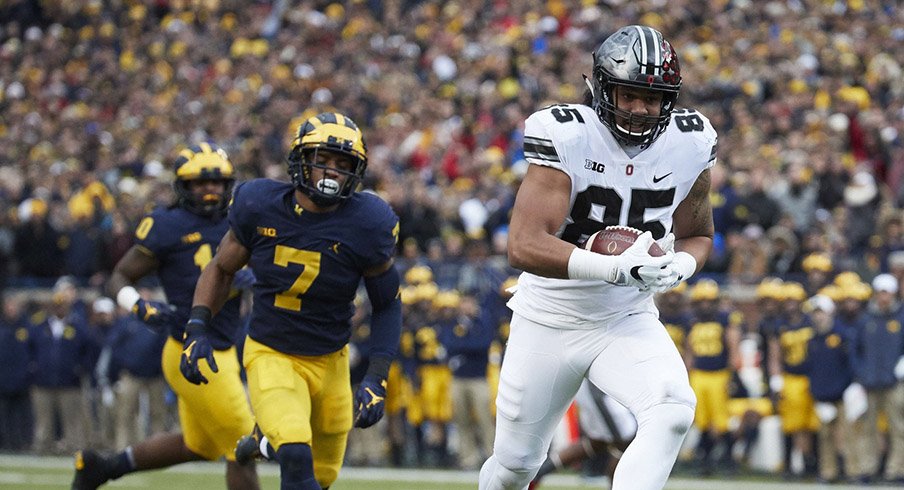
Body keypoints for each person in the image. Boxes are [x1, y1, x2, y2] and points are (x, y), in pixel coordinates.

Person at [479, 25, 716, 490]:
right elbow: (522, 245)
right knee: (516, 466)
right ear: (601, 86)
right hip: (549, 315)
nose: (641, 108)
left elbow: (699, 236)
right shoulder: (567, 133)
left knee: (671, 409)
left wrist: (680, 266)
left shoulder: (689, 142)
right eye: (629, 94)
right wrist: (613, 266)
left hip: (624, 316)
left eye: (653, 97)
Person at [180, 112, 402, 490]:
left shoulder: (369, 222)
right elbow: (221, 268)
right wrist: (196, 326)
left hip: (331, 359)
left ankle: (265, 444)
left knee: (322, 477)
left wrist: (377, 377)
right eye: (323, 160)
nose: (331, 171)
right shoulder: (259, 204)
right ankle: (276, 443)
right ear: (300, 161)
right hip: (272, 353)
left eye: (343, 164)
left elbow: (388, 304)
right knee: (297, 457)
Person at [71, 143, 260, 489]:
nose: (211, 190)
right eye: (201, 183)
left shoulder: (240, 220)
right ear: (183, 187)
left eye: (217, 183)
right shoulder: (166, 225)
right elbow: (119, 276)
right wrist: (137, 304)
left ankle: (103, 468)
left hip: (222, 349)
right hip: (190, 349)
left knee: (198, 445)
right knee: (242, 445)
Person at [529, 380, 637, 490]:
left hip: (592, 389)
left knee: (599, 442)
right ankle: (533, 477)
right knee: (626, 442)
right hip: (598, 391)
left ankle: (536, 475)